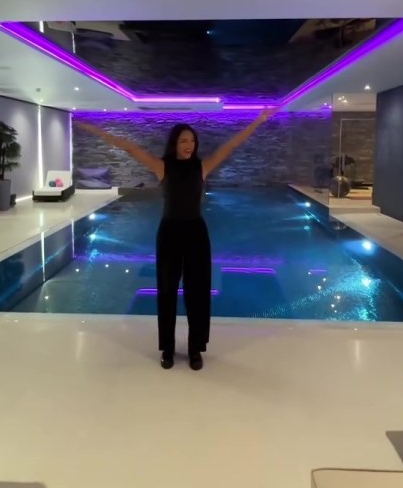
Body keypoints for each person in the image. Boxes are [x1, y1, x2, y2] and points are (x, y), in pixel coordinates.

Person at [77, 108, 278, 370]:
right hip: (170, 234)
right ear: (175, 143)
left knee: (197, 293)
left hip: (196, 234)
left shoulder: (202, 167)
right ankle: (168, 349)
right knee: (167, 293)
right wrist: (93, 129)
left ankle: (195, 349)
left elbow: (232, 144)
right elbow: (127, 147)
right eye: (184, 140)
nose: (189, 145)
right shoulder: (163, 167)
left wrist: (259, 120)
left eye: (192, 140)